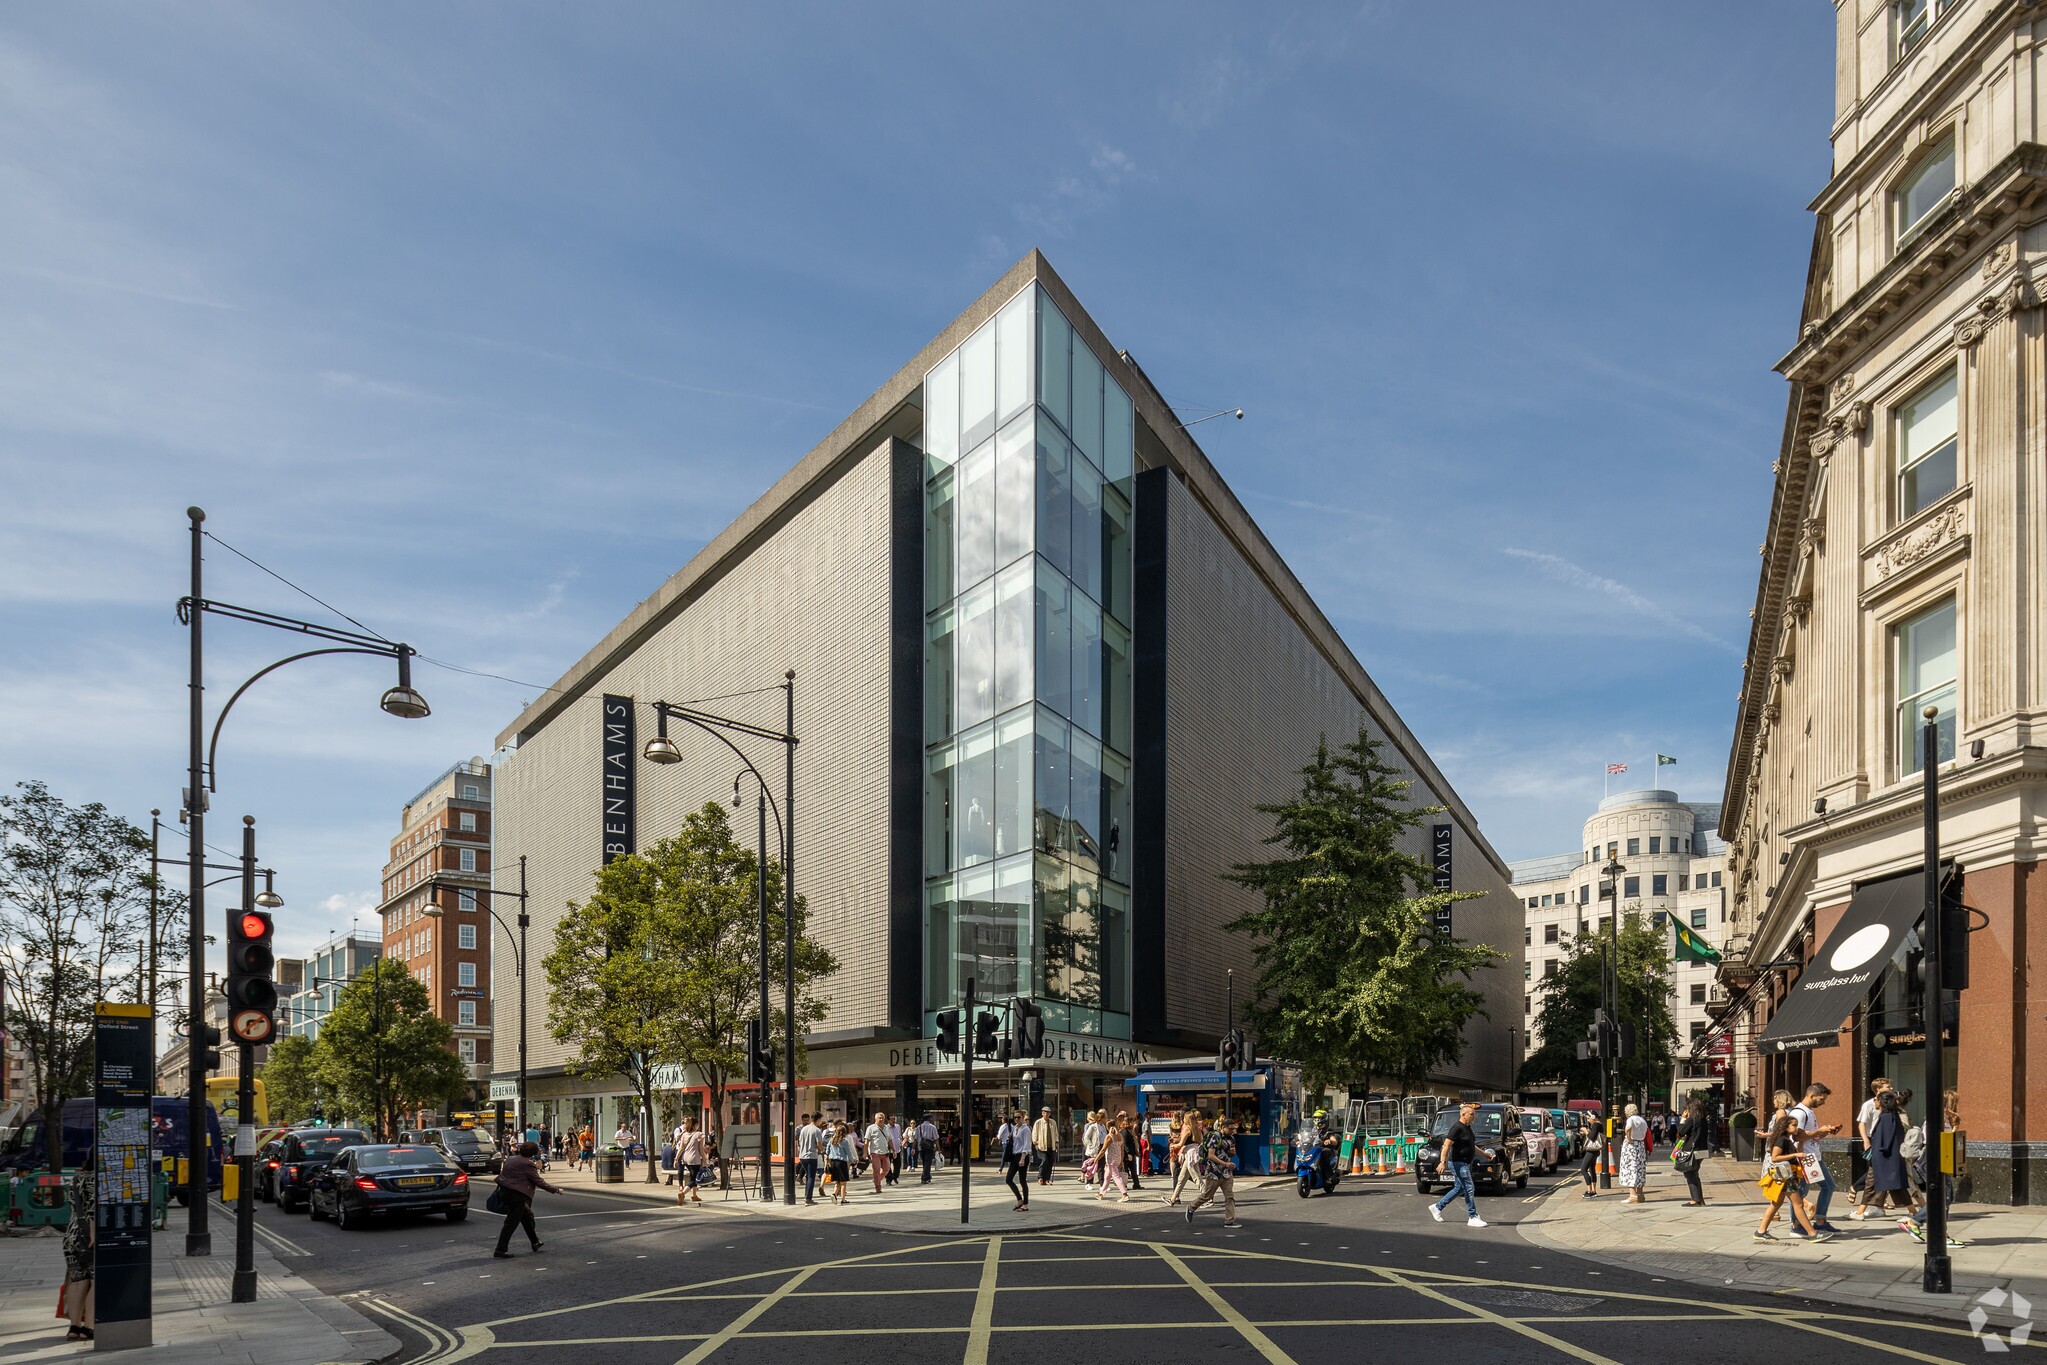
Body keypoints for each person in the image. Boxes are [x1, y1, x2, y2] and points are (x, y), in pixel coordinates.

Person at [1754, 1111, 1825, 1241]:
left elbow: (1795, 1153)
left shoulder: (1787, 1140)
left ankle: (1760, 1231)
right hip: (1785, 1176)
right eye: (1794, 1125)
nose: (1796, 1128)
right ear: (1786, 1127)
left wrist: (1801, 1144)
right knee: (1798, 1204)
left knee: (1776, 1204)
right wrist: (1795, 1155)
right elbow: (1775, 1157)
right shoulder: (1782, 1140)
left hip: (1785, 1176)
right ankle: (1812, 1233)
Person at [1788, 1083, 1842, 1230]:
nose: (1823, 1102)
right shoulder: (1800, 1113)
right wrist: (1819, 1131)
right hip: (1805, 1157)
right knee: (1801, 1192)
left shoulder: (1808, 1112)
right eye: (1821, 1099)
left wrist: (1823, 1133)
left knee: (1828, 1186)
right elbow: (1797, 1136)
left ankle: (1819, 1221)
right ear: (1812, 1096)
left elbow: (1809, 1135)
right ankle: (1797, 1224)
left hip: (1813, 1156)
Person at [494, 1141, 561, 1258]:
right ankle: (500, 1250)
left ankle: (535, 1242)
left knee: (527, 1217)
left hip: (504, 1192)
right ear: (533, 1153)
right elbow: (539, 1182)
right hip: (517, 1196)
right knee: (511, 1223)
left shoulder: (511, 1159)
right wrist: (556, 1190)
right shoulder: (527, 1164)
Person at [1428, 1101, 1486, 1228]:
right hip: (1458, 1163)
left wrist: (1484, 1154)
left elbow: (1471, 1146)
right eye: (1471, 1114)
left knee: (1459, 1188)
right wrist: (1442, 1162)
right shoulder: (1457, 1128)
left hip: (1465, 1163)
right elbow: (1446, 1146)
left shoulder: (1467, 1128)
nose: (1474, 1116)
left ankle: (1437, 1207)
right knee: (1469, 1188)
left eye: (1474, 1114)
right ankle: (1472, 1216)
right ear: (1463, 1115)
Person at [1185, 1116, 1242, 1227]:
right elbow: (1211, 1155)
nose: (1232, 1131)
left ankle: (1229, 1221)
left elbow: (1231, 1154)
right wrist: (1225, 1164)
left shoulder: (1231, 1139)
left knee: (1229, 1197)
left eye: (1233, 1129)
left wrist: (1232, 1153)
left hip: (1226, 1173)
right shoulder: (1215, 1137)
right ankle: (1191, 1207)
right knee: (1207, 1195)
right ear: (1223, 1127)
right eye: (1230, 1129)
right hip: (1213, 1172)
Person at [60, 1159, 94, 1341]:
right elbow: (93, 1211)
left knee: (78, 1280)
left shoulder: (76, 1179)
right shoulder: (97, 1181)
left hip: (71, 1235)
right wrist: (94, 1235)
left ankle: (74, 1326)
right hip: (89, 1237)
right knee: (97, 1281)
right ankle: (89, 1327)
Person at [1849, 1077, 1892, 1219]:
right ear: (1878, 1089)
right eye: (1887, 1086)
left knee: (1881, 1173)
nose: (1890, 1088)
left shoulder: (1890, 1104)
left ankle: (1878, 1205)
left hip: (1886, 1141)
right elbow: (1862, 1124)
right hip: (1874, 1140)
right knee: (1874, 1173)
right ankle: (1858, 1192)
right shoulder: (1869, 1105)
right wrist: (1866, 1141)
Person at [1863, 1089, 1911, 1216]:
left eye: (1876, 1100)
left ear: (1882, 1102)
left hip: (1884, 1158)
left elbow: (1885, 1138)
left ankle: (1860, 1211)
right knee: (1896, 1187)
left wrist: (1878, 1152)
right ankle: (1915, 1212)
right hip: (1889, 1158)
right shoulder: (1892, 1116)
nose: (1875, 1103)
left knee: (1873, 1184)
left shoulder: (1886, 1117)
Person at [1673, 1098, 1711, 1206]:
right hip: (1702, 1151)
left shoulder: (1692, 1120)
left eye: (1688, 1108)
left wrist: (1682, 1119)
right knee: (1694, 1173)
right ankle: (1700, 1199)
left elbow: (1680, 1132)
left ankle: (1696, 1200)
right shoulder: (1704, 1120)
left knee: (1689, 1174)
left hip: (1691, 1150)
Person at [1167, 1112, 1206, 1206]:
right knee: (1181, 1178)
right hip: (1193, 1151)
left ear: (1187, 1119)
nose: (1183, 1119)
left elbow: (1180, 1144)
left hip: (1189, 1154)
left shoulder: (1187, 1129)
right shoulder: (1196, 1128)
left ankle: (1207, 1199)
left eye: (1184, 1118)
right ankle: (1173, 1199)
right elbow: (1200, 1140)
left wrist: (1173, 1146)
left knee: (1197, 1178)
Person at [995, 1110, 1031, 1211]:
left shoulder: (1026, 1129)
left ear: (1023, 1117)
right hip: (1015, 1155)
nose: (1016, 1119)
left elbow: (1027, 1145)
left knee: (1022, 1181)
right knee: (1008, 1179)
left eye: (1018, 1117)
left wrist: (1023, 1158)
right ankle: (1019, 1199)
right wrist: (1011, 1137)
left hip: (1022, 1155)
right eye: (1015, 1117)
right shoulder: (1015, 1128)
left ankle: (1025, 1204)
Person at [1619, 1103, 1649, 1204]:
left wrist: (1629, 1138)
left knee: (1630, 1169)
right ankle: (1640, 1195)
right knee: (1639, 1169)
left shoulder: (1630, 1119)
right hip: (1640, 1145)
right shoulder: (1642, 1120)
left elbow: (1628, 1128)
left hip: (1631, 1146)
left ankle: (1632, 1195)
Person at [677, 1117, 708, 1204]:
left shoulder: (684, 1134)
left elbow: (681, 1148)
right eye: (697, 1124)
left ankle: (694, 1195)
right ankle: (682, 1193)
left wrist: (676, 1159)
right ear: (695, 1125)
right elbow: (701, 1149)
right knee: (694, 1179)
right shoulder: (699, 1135)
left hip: (685, 1158)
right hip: (694, 1158)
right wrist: (705, 1159)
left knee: (692, 1175)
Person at [825, 1123, 856, 1205]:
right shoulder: (844, 1141)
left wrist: (827, 1157)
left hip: (833, 1162)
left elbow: (827, 1150)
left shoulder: (832, 1140)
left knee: (837, 1181)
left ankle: (834, 1194)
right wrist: (853, 1160)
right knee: (843, 1182)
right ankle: (843, 1199)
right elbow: (848, 1152)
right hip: (841, 1162)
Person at [796, 1113, 823, 1204]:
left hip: (802, 1155)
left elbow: (799, 1141)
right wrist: (822, 1150)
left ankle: (807, 1195)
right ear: (818, 1119)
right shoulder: (817, 1130)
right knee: (811, 1176)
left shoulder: (803, 1129)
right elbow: (819, 1144)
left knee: (808, 1176)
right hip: (811, 1155)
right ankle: (808, 1198)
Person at [864, 1112, 893, 1194]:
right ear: (875, 1119)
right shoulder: (871, 1128)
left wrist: (894, 1150)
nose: (881, 1119)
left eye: (882, 1118)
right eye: (879, 1118)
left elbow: (890, 1139)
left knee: (887, 1169)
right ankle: (878, 1187)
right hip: (875, 1152)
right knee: (876, 1170)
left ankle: (876, 1179)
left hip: (885, 1152)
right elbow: (866, 1141)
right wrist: (865, 1153)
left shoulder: (886, 1128)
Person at [1578, 1105, 1602, 1198]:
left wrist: (1585, 1131)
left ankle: (1589, 1191)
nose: (1588, 1120)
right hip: (1595, 1151)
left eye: (1588, 1118)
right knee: (1592, 1170)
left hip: (1591, 1151)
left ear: (1593, 1117)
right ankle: (1593, 1190)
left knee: (1583, 1170)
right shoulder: (1598, 1125)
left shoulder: (1596, 1125)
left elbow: (1592, 1137)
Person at [1032, 1107, 1059, 1185]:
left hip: (1051, 1146)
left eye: (1048, 1112)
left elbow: (1056, 1133)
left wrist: (1056, 1142)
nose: (1046, 1114)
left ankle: (1047, 1179)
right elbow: (1034, 1133)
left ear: (1050, 1113)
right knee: (1044, 1160)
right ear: (1042, 1113)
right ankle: (1040, 1177)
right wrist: (1035, 1143)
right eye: (1045, 1112)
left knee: (1050, 1162)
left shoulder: (1053, 1122)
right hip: (1041, 1146)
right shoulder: (1038, 1122)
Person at [1082, 1110, 1106, 1186]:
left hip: (1102, 1148)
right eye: (1104, 1118)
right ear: (1101, 1119)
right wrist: (1090, 1145)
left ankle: (1102, 1184)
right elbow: (1086, 1137)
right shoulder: (1093, 1127)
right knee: (1091, 1167)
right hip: (1094, 1149)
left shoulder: (1103, 1127)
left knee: (1101, 1166)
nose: (1106, 1120)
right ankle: (1089, 1183)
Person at [916, 1114, 938, 1184]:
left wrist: (913, 1148)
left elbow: (916, 1139)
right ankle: (925, 1177)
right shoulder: (932, 1127)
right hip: (929, 1146)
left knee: (924, 1162)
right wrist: (938, 1147)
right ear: (929, 1119)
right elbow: (936, 1138)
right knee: (928, 1162)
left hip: (921, 1146)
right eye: (931, 1118)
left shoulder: (918, 1127)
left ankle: (927, 1176)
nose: (932, 1119)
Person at [885, 1114, 904, 1186]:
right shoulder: (885, 1128)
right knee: (888, 1165)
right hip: (888, 1150)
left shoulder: (897, 1126)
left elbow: (899, 1135)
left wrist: (900, 1142)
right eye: (892, 1119)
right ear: (888, 1120)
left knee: (898, 1165)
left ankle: (895, 1176)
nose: (893, 1121)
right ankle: (888, 1179)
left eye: (894, 1119)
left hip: (897, 1149)